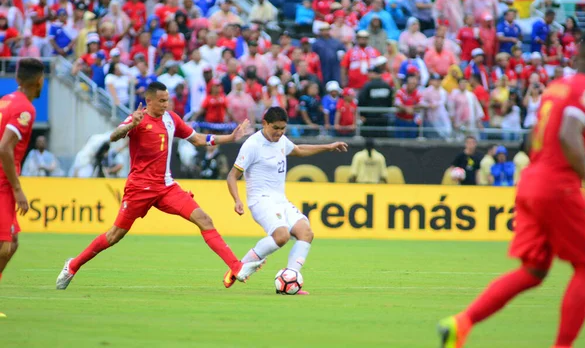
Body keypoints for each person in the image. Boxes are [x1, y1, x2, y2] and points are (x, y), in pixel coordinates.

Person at [438, 30, 585, 348]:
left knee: (535, 270)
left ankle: (462, 322)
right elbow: (568, 135)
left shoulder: (556, 87)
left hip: (531, 182)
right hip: (558, 186)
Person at [56, 82, 265, 290]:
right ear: (149, 101)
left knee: (204, 219)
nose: (166, 104)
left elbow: (198, 139)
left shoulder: (171, 119)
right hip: (139, 188)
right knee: (114, 236)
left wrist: (230, 137)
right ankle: (73, 266)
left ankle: (236, 267)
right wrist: (130, 125)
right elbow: (113, 136)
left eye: (168, 100)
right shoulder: (137, 118)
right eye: (162, 101)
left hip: (166, 187)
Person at [226, 107, 348, 294]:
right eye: (276, 128)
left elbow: (299, 150)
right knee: (281, 236)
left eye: (283, 128)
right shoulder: (252, 145)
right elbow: (232, 176)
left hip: (280, 201)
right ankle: (239, 268)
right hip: (260, 201)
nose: (280, 132)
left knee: (306, 233)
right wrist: (237, 200)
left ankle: (289, 280)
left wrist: (328, 146)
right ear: (265, 123)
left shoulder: (281, 140)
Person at [0, 59, 45, 317]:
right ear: (38, 80)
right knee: (5, 246)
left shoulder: (5, 100)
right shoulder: (25, 109)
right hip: (3, 181)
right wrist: (17, 189)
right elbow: (4, 147)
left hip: (4, 179)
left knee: (12, 242)